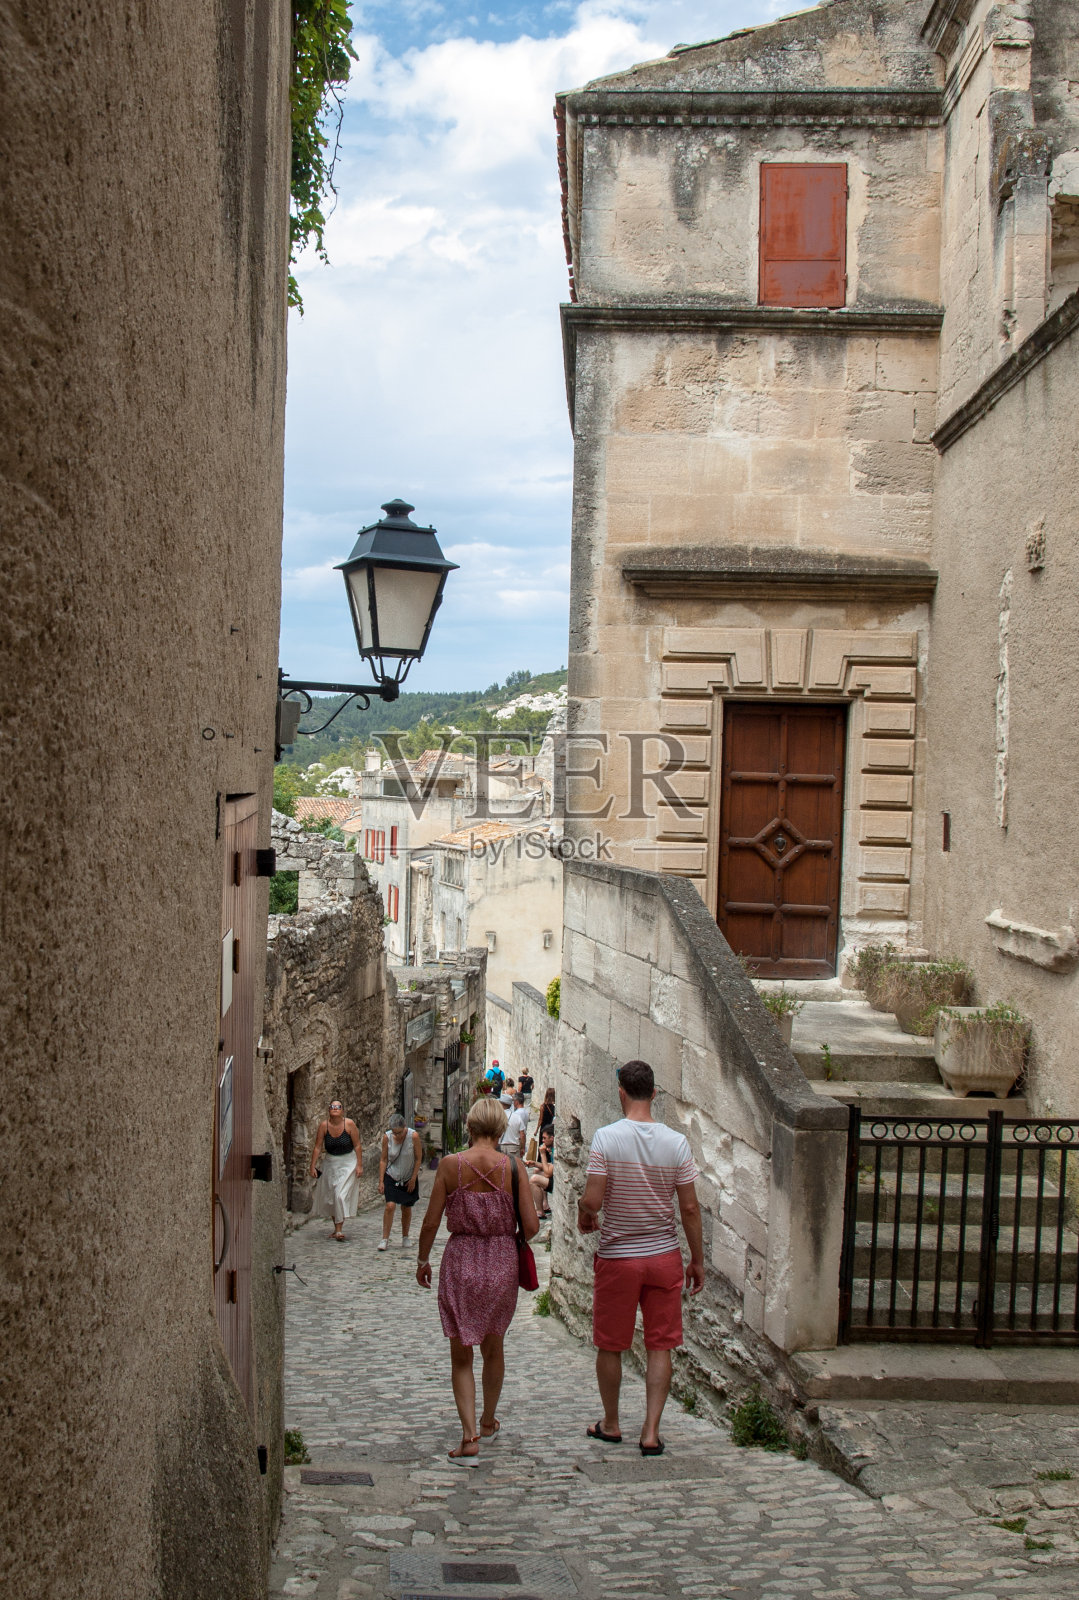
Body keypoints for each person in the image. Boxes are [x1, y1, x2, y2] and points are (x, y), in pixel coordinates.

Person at [577, 1059, 703, 1456]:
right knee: (660, 1345)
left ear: (621, 1092)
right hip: (663, 1256)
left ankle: (611, 1423)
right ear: (654, 1093)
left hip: (618, 1257)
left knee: (611, 1344)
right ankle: (650, 1432)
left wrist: (584, 1211)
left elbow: (593, 1200)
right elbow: (690, 1209)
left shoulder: (606, 1139)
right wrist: (697, 1260)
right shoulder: (676, 1143)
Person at [416, 1097, 539, 1463]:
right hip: (501, 1262)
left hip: (461, 1260)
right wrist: (504, 1234)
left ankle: (468, 1435)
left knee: (461, 1355)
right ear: (501, 1130)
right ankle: (487, 1420)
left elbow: (431, 1222)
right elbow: (532, 1226)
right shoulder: (513, 1167)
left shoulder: (450, 1166)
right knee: (494, 1346)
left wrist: (423, 1259)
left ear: (469, 1127)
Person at [309, 1100, 363, 1242]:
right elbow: (317, 1147)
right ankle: (337, 1228)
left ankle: (339, 1230)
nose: (335, 1108)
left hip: (348, 1163)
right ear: (329, 1110)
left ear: (342, 1110)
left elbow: (357, 1145)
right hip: (331, 1163)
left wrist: (359, 1165)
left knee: (339, 1195)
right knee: (332, 1197)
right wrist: (312, 1166)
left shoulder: (349, 1124)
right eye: (332, 1106)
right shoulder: (324, 1126)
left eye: (338, 1107)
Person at [378, 1113, 422, 1250]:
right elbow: (383, 1159)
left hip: (408, 1177)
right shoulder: (387, 1137)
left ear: (405, 1128)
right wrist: (381, 1181)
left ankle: (405, 1236)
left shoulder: (413, 1136)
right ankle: (384, 1239)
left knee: (406, 1207)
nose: (397, 1136)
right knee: (390, 1206)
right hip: (392, 1175)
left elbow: (418, 1158)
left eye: (399, 1132)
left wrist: (413, 1178)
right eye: (395, 1133)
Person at [527, 1127, 554, 1217]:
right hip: (553, 1176)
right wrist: (535, 1164)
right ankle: (544, 1204)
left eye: (544, 1138)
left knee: (533, 1179)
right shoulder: (552, 1149)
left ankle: (539, 1211)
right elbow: (549, 1166)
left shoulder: (554, 1150)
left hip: (556, 1180)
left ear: (552, 1138)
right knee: (536, 1170)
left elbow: (548, 1173)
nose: (543, 1141)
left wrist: (542, 1154)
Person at [500, 1092, 528, 1160]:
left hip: (501, 1146)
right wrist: (522, 1148)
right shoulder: (517, 1116)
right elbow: (522, 1135)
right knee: (514, 1165)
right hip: (514, 1147)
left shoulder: (498, 1116)